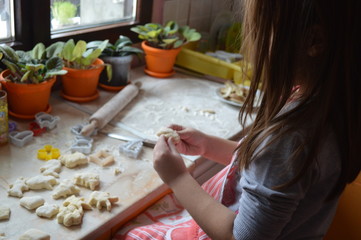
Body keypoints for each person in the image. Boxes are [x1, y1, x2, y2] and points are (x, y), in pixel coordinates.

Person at [114, 0, 360, 239]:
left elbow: (237, 235)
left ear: (314, 40)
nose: (251, 43)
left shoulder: (292, 137)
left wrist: (177, 177)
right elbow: (269, 171)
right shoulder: (331, 105)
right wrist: (208, 145)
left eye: (260, 30)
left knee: (130, 235)